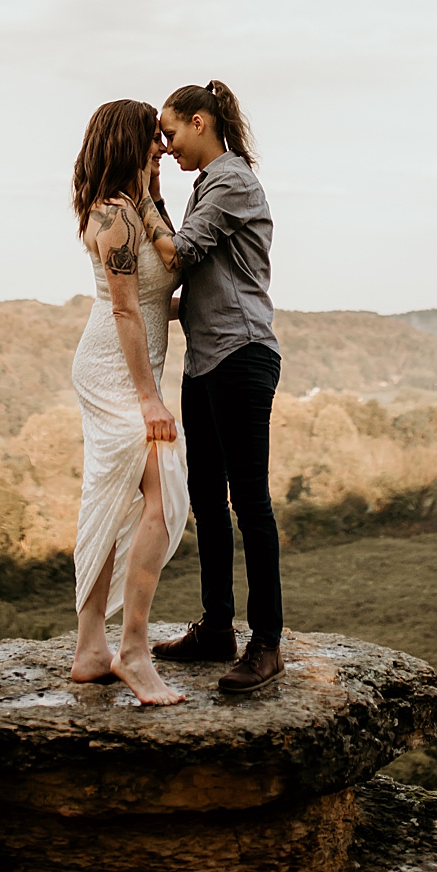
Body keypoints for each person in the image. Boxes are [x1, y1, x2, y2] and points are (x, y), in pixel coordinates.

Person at [137, 80, 285, 693]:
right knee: (206, 495)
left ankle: (267, 643)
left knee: (248, 502)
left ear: (201, 122)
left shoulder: (229, 181)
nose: (166, 146)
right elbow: (197, 282)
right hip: (206, 361)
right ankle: (218, 628)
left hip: (242, 354)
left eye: (170, 133)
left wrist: (144, 200)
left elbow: (179, 256)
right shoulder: (207, 186)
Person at [69, 98, 189, 706]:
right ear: (129, 140)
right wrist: (150, 400)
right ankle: (133, 653)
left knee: (117, 501)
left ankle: (91, 649)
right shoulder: (113, 215)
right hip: (116, 371)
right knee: (160, 503)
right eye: (153, 139)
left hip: (133, 358)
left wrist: (156, 192)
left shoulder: (135, 206)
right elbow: (122, 308)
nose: (162, 147)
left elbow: (157, 288)